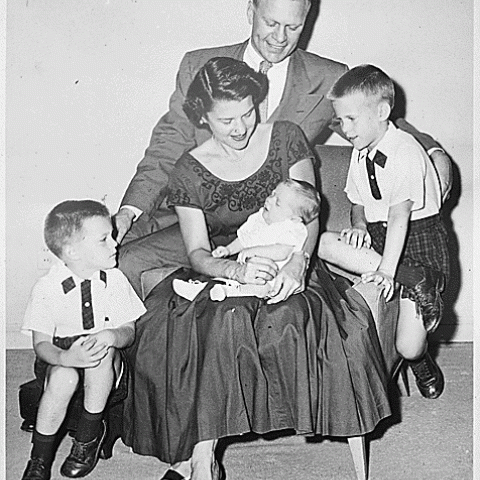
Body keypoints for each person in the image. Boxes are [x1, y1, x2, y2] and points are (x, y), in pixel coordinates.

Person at [122, 57, 391, 480]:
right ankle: (203, 459)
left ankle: (200, 460)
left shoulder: (285, 138)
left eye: (248, 112)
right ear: (203, 116)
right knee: (211, 321)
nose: (241, 127)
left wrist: (299, 263)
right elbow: (197, 253)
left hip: (292, 262)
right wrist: (234, 270)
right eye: (227, 119)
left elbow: (310, 211)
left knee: (279, 319)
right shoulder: (189, 168)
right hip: (228, 266)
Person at [114, 0, 452, 297]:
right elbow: (166, 146)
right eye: (271, 23)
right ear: (251, 11)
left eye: (293, 26)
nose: (280, 37)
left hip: (277, 225)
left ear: (308, 19)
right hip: (200, 221)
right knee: (123, 259)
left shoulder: (326, 77)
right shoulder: (199, 67)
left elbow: (375, 118)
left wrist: (432, 152)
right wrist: (130, 210)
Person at [318, 65, 449, 400]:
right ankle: (414, 280)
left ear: (381, 112)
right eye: (340, 120)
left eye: (351, 119)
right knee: (325, 243)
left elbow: (400, 215)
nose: (345, 130)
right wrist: (359, 226)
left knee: (407, 345)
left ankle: (421, 362)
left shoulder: (404, 150)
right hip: (380, 239)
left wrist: (389, 272)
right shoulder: (362, 151)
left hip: (417, 242)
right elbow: (357, 201)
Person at [20, 200, 146, 480]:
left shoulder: (114, 281)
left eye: (112, 235)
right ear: (72, 251)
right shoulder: (47, 287)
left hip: (107, 359)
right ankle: (39, 458)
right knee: (64, 378)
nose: (115, 244)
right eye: (104, 239)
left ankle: (86, 441)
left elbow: (129, 331)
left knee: (100, 359)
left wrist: (112, 335)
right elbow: (41, 345)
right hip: (60, 356)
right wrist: (65, 358)